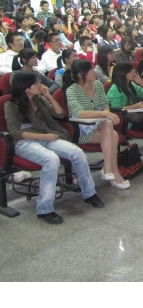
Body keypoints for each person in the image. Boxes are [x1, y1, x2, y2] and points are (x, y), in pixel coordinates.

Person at [5, 73, 104, 224]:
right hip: (24, 141)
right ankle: (44, 209)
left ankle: (89, 193)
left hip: (46, 135)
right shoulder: (11, 104)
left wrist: (49, 96)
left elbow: (60, 113)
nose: (40, 85)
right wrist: (44, 137)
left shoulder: (39, 99)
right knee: (51, 159)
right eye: (36, 83)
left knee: (77, 152)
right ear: (26, 88)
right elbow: (14, 132)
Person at [63, 60, 130, 189]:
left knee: (107, 123)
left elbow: (105, 105)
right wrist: (105, 114)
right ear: (80, 74)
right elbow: (80, 113)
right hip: (81, 129)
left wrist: (105, 113)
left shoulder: (98, 85)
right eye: (90, 69)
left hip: (100, 124)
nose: (94, 72)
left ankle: (108, 169)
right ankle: (113, 172)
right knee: (114, 135)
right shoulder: (72, 90)